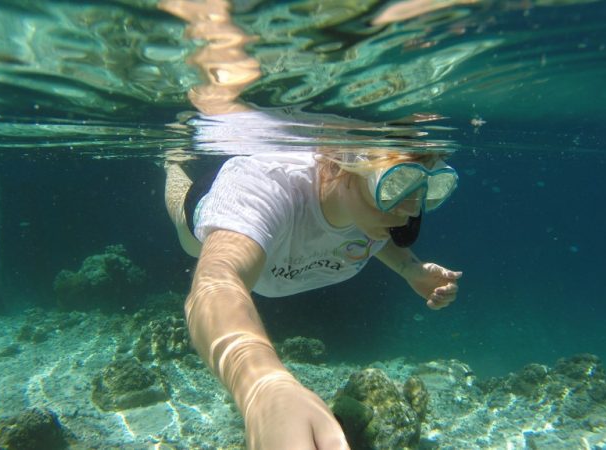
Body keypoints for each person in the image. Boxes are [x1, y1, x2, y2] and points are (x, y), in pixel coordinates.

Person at [160, 1, 462, 448]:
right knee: (187, 231)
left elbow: (377, 239)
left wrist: (410, 269)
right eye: (395, 183)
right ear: (342, 163)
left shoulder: (375, 212)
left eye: (426, 189)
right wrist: (261, 385)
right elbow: (216, 281)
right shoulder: (266, 186)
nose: (409, 210)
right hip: (204, 205)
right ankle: (174, 163)